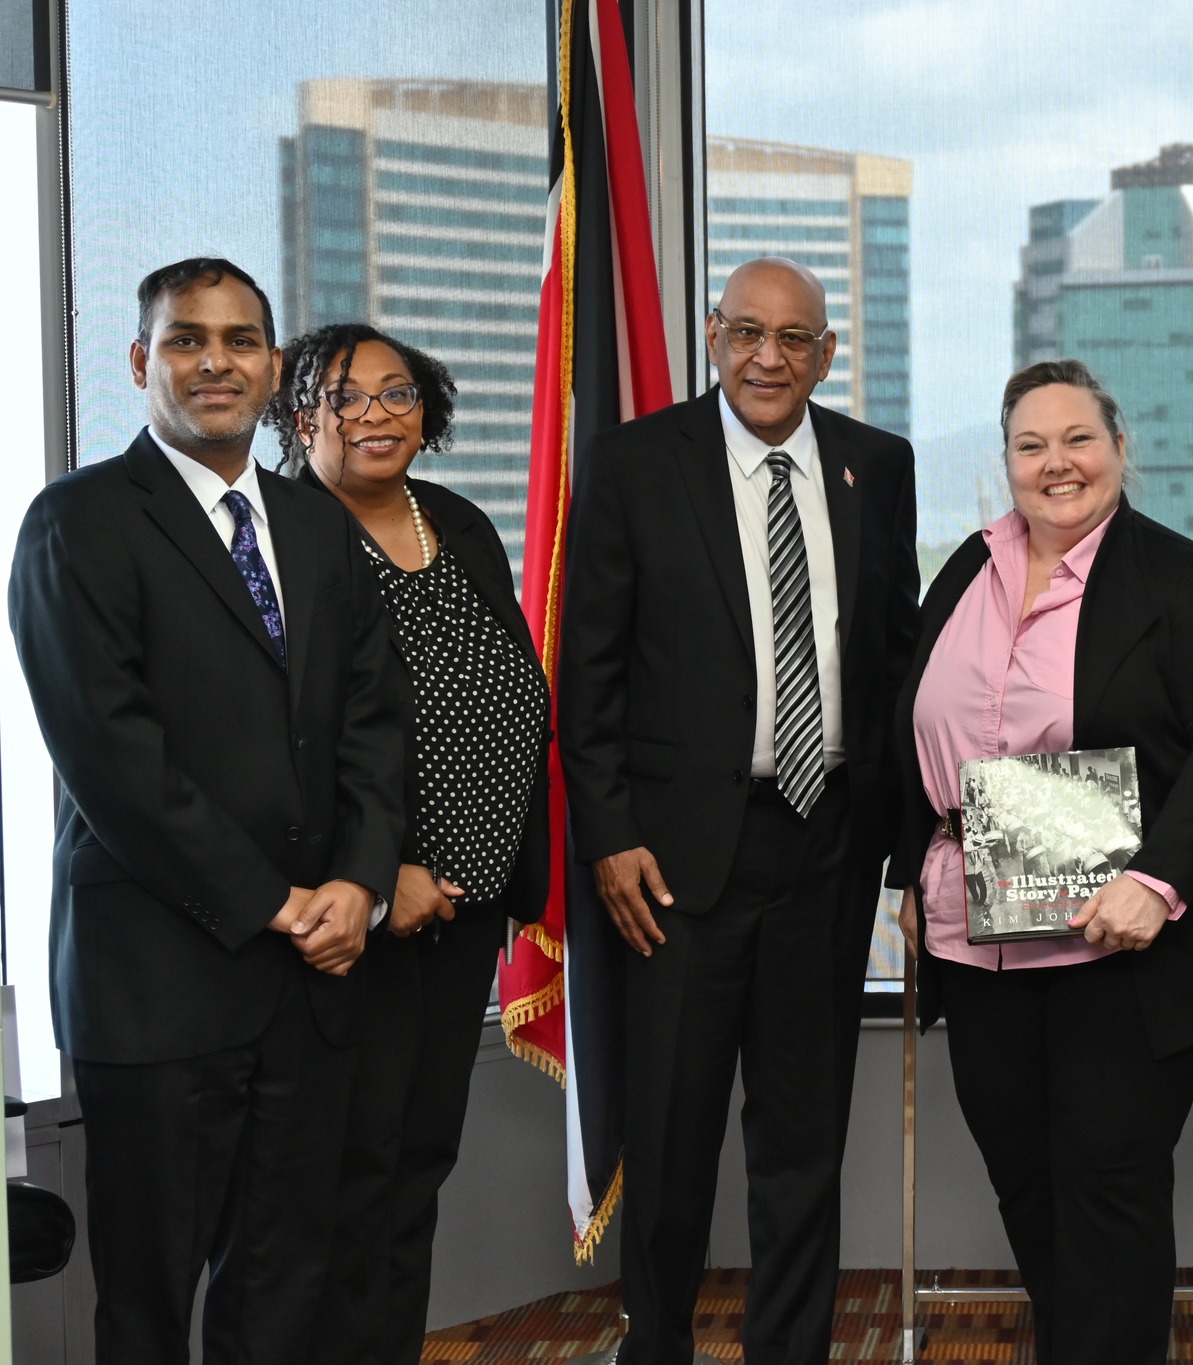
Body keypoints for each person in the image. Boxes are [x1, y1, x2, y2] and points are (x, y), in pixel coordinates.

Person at [7, 258, 408, 1363]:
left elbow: (374, 726)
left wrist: (361, 886)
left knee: (283, 1282)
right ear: (143, 362)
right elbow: (112, 757)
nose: (217, 361)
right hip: (156, 980)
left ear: (274, 369)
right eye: (189, 340)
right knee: (147, 1301)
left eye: (240, 340)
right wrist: (276, 902)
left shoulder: (318, 527)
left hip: (313, 979)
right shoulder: (75, 523)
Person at [558, 256, 918, 1363]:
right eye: (748, 333)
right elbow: (589, 672)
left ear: (827, 352)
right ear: (712, 334)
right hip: (672, 866)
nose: (770, 357)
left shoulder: (877, 465)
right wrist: (610, 838)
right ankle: (653, 1347)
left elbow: (895, 661)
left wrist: (905, 859)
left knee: (802, 1147)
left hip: (826, 850)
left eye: (795, 338)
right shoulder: (632, 465)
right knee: (668, 1146)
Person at [890, 359, 1193, 1365]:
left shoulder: (1181, 580)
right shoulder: (965, 567)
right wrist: (911, 872)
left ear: (1119, 449)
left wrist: (1156, 881)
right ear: (1006, 460)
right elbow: (914, 729)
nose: (1055, 463)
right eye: (1030, 445)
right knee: (1022, 1176)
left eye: (1078, 440)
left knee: (1105, 1181)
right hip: (980, 942)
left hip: (1123, 945)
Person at [263, 323, 552, 1365]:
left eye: (398, 394)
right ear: (300, 417)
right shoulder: (282, 535)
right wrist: (381, 875)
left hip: (464, 910)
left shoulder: (458, 523)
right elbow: (278, 739)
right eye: (345, 397)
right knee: (346, 1172)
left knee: (416, 1161)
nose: (376, 414)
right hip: (354, 914)